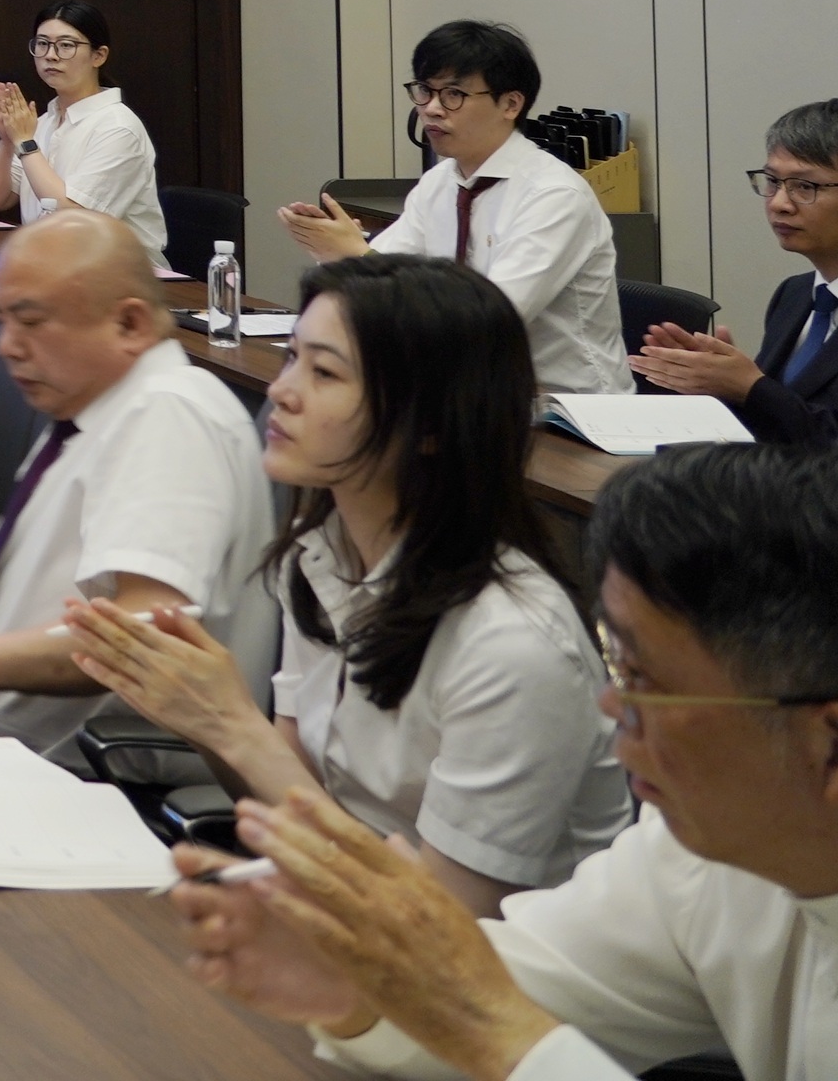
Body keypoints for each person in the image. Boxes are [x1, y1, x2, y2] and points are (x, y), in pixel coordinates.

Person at [162, 444, 838, 1081]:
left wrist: (492, 1026)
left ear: (827, 737)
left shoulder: (515, 641)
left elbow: (498, 1022)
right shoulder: (699, 854)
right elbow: (501, 987)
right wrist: (354, 979)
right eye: (615, 665)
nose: (611, 706)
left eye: (643, 680)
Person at [65, 256, 631, 911]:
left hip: (475, 958)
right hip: (338, 915)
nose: (283, 392)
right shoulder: (322, 557)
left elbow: (448, 924)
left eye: (325, 372)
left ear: (431, 425)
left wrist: (232, 724)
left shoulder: (512, 646)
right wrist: (198, 716)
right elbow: (294, 803)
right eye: (291, 358)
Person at [0, 210, 270, 762]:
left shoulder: (170, 416)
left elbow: (150, 629)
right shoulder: (89, 414)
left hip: (97, 777)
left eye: (31, 321)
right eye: (1, 321)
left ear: (130, 324)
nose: (5, 346)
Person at [278, 20, 627, 397]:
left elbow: (491, 319)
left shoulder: (554, 195)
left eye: (453, 94)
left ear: (510, 104)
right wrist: (338, 255)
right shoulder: (440, 182)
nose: (431, 109)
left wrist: (357, 256)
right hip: (464, 394)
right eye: (425, 90)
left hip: (564, 408)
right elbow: (392, 282)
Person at [626, 100, 838, 443]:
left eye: (805, 186)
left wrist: (751, 388)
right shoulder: (795, 294)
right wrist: (720, 386)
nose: (779, 203)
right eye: (773, 181)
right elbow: (782, 425)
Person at [0, 0, 168, 258]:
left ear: (99, 56)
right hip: (52, 262)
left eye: (66, 45)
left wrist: (25, 143)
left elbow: (72, 219)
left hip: (115, 270)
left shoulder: (118, 128)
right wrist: (8, 140)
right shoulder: (44, 121)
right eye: (42, 43)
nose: (51, 55)